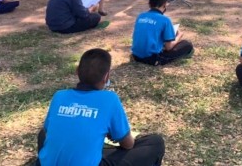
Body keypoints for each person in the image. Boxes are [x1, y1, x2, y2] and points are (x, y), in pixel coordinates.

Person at [36, 48, 165, 166]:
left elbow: (47, 132)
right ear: (106, 77)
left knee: (43, 134)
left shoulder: (59, 96)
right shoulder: (109, 99)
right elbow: (128, 144)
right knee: (155, 142)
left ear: (77, 71)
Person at [131, 0, 194, 66]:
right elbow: (169, 47)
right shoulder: (165, 20)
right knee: (187, 44)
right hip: (152, 59)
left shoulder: (140, 16)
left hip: (136, 56)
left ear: (149, 4)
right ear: (165, 4)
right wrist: (179, 35)